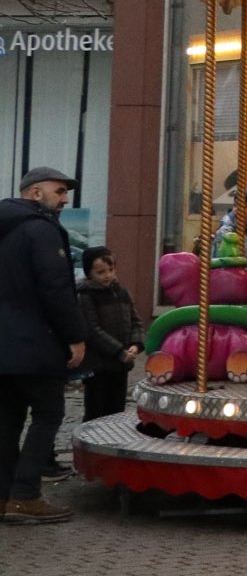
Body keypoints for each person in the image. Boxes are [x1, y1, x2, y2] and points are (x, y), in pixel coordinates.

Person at [0, 167, 89, 524]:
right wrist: (75, 337)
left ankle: (3, 496)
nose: (65, 199)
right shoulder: (41, 231)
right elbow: (56, 290)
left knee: (6, 422)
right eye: (59, 192)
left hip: (4, 347)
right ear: (35, 193)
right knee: (48, 414)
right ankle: (26, 495)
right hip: (35, 344)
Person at [74, 247, 143, 423]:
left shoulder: (121, 292)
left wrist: (135, 343)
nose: (107, 275)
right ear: (89, 273)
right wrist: (119, 351)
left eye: (111, 270)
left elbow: (135, 320)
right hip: (98, 365)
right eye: (101, 272)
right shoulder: (86, 295)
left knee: (116, 409)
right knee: (96, 409)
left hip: (121, 363)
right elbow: (92, 330)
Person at [210, 187, 247, 260]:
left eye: (244, 206)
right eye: (235, 205)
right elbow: (218, 261)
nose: (236, 210)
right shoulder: (226, 232)